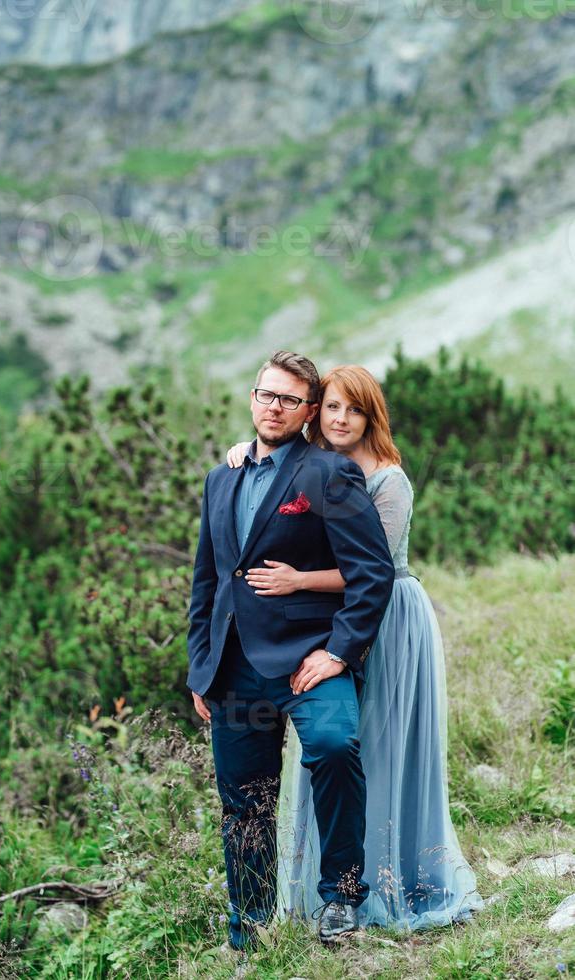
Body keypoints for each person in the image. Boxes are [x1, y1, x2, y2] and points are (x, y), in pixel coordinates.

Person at [227, 364, 483, 932]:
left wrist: (297, 581)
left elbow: (373, 570)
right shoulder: (311, 466)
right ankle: (324, 887)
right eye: (332, 407)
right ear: (314, 410)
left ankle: (392, 880)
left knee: (376, 748)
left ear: (372, 417)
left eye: (355, 409)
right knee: (337, 749)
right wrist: (246, 447)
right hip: (327, 625)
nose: (341, 419)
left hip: (387, 619)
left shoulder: (387, 479)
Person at [187, 351, 395, 950]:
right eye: (265, 394)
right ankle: (248, 928)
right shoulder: (219, 478)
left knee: (334, 746)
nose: (273, 407)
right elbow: (208, 581)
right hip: (232, 667)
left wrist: (339, 651)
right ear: (253, 398)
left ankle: (341, 897)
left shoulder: (329, 474)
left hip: (311, 657)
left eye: (288, 399)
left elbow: (371, 572)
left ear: (307, 411)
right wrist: (201, 667)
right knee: (244, 801)